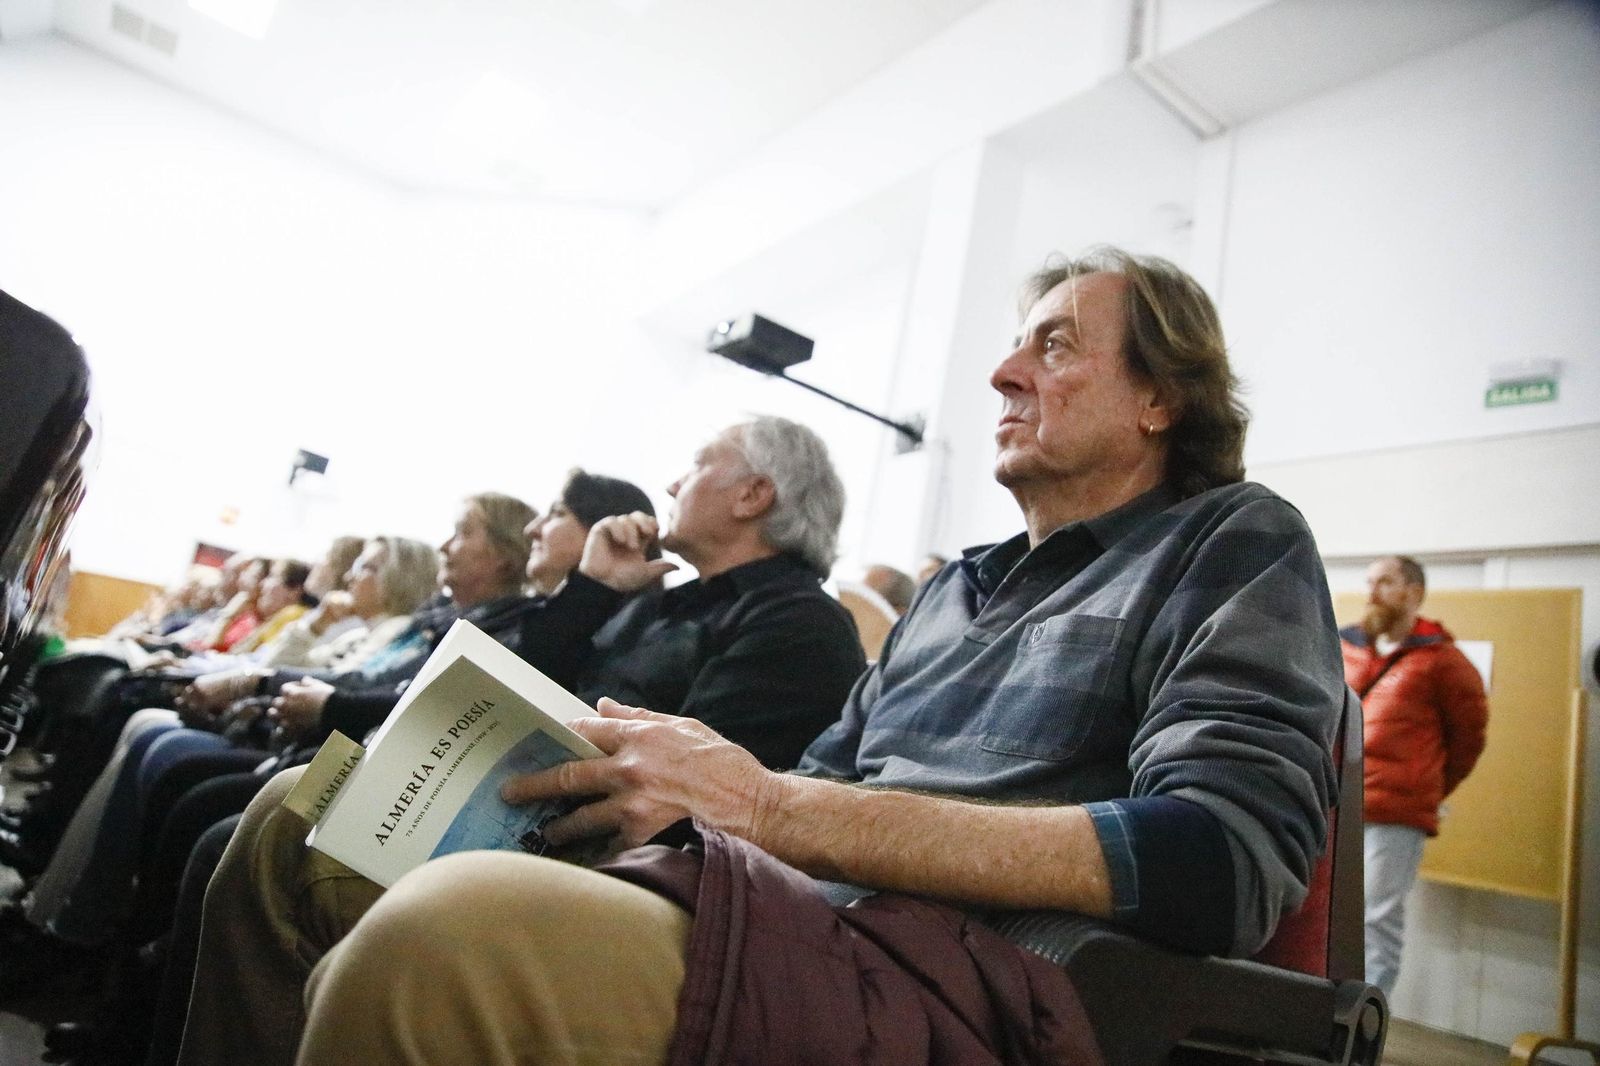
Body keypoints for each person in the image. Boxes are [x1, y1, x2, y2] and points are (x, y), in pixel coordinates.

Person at [181, 250, 1342, 1066]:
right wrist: (677, 785)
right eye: (1010, 345)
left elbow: (1223, 859)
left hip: (956, 976)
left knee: (446, 936)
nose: (1002, 374)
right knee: (297, 823)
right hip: (791, 910)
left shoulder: (1230, 538)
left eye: (1053, 345)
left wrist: (769, 806)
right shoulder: (952, 589)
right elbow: (814, 786)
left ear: (1161, 398)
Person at [1340, 554, 1488, 997]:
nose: (1372, 592)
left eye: (1385, 582)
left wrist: (1424, 789)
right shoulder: (1346, 646)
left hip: (1396, 813)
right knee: (1327, 915)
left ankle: (1362, 1026)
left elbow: (1468, 741)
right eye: (1370, 582)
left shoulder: (1442, 661)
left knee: (1376, 918)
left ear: (1414, 593)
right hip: (1337, 804)